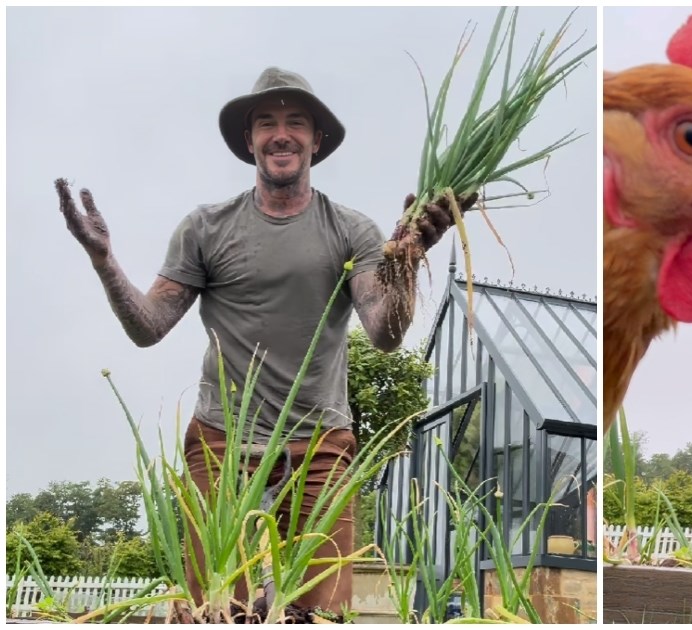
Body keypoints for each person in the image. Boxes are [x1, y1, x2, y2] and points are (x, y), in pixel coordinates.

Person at [55, 66, 470, 619]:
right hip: (223, 442)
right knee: (214, 606)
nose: (281, 133)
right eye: (266, 122)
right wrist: (105, 263)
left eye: (296, 122)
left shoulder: (353, 230)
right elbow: (149, 326)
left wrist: (406, 263)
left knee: (320, 610)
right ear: (249, 140)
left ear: (315, 141)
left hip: (319, 441)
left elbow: (385, 332)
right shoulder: (206, 227)